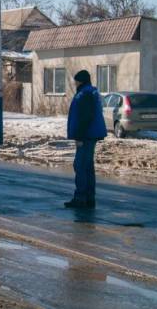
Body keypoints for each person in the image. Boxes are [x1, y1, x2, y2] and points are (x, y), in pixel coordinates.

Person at [65, 70, 107, 209]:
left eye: (76, 80)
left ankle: (80, 198)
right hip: (90, 134)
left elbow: (85, 118)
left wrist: (79, 137)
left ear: (81, 81)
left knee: (80, 166)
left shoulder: (84, 94)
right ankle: (89, 198)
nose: (74, 82)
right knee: (87, 167)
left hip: (86, 136)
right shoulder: (89, 92)